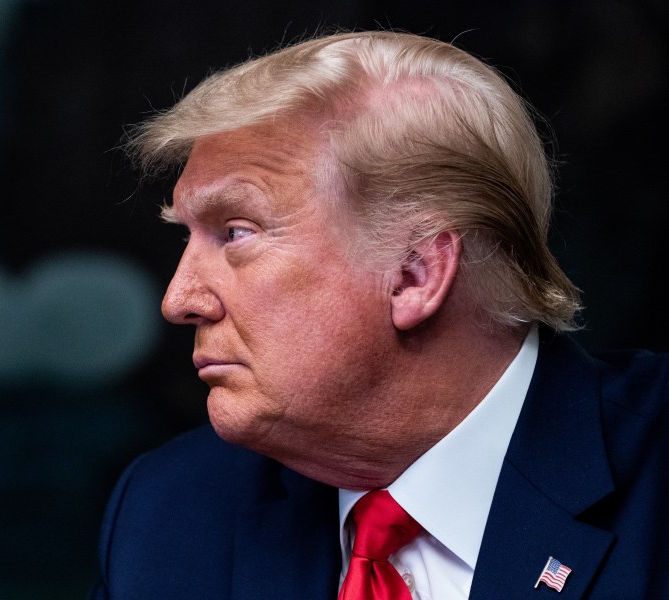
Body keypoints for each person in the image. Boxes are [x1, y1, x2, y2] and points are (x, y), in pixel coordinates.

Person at [91, 30, 668, 599]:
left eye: (236, 233)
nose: (179, 299)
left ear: (416, 272)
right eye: (187, 240)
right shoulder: (169, 515)